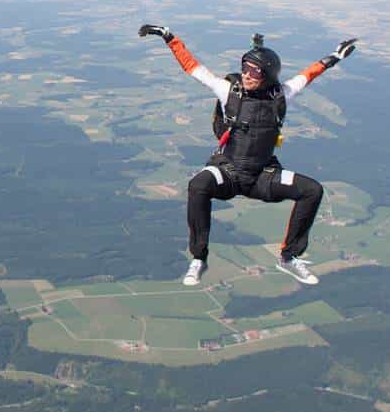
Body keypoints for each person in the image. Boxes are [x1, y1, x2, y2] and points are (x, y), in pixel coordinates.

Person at [138, 25, 358, 287]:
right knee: (198, 185)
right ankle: (198, 258)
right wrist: (168, 36)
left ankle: (289, 257)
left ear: (267, 74)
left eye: (253, 70)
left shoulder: (281, 94)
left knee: (312, 190)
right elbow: (193, 68)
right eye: (244, 68)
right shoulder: (228, 91)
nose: (246, 74)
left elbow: (308, 75)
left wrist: (335, 56)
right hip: (227, 172)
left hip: (262, 176)